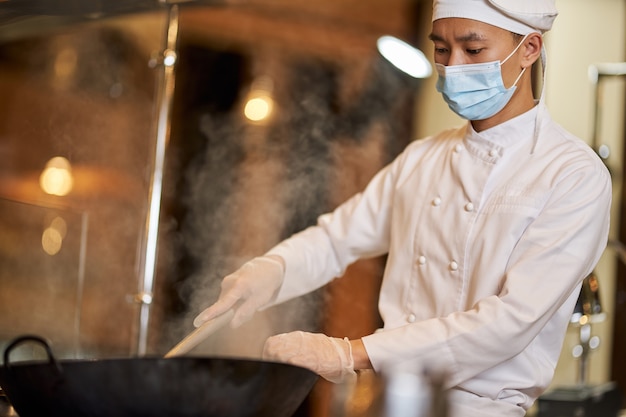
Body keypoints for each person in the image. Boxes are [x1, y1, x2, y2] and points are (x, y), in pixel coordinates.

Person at [193, 0, 612, 415]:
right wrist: (271, 270)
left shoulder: (572, 174)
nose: (454, 66)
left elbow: (510, 322)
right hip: (388, 401)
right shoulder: (423, 158)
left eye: (474, 49)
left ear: (530, 49)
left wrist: (348, 354)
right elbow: (338, 238)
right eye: (442, 50)